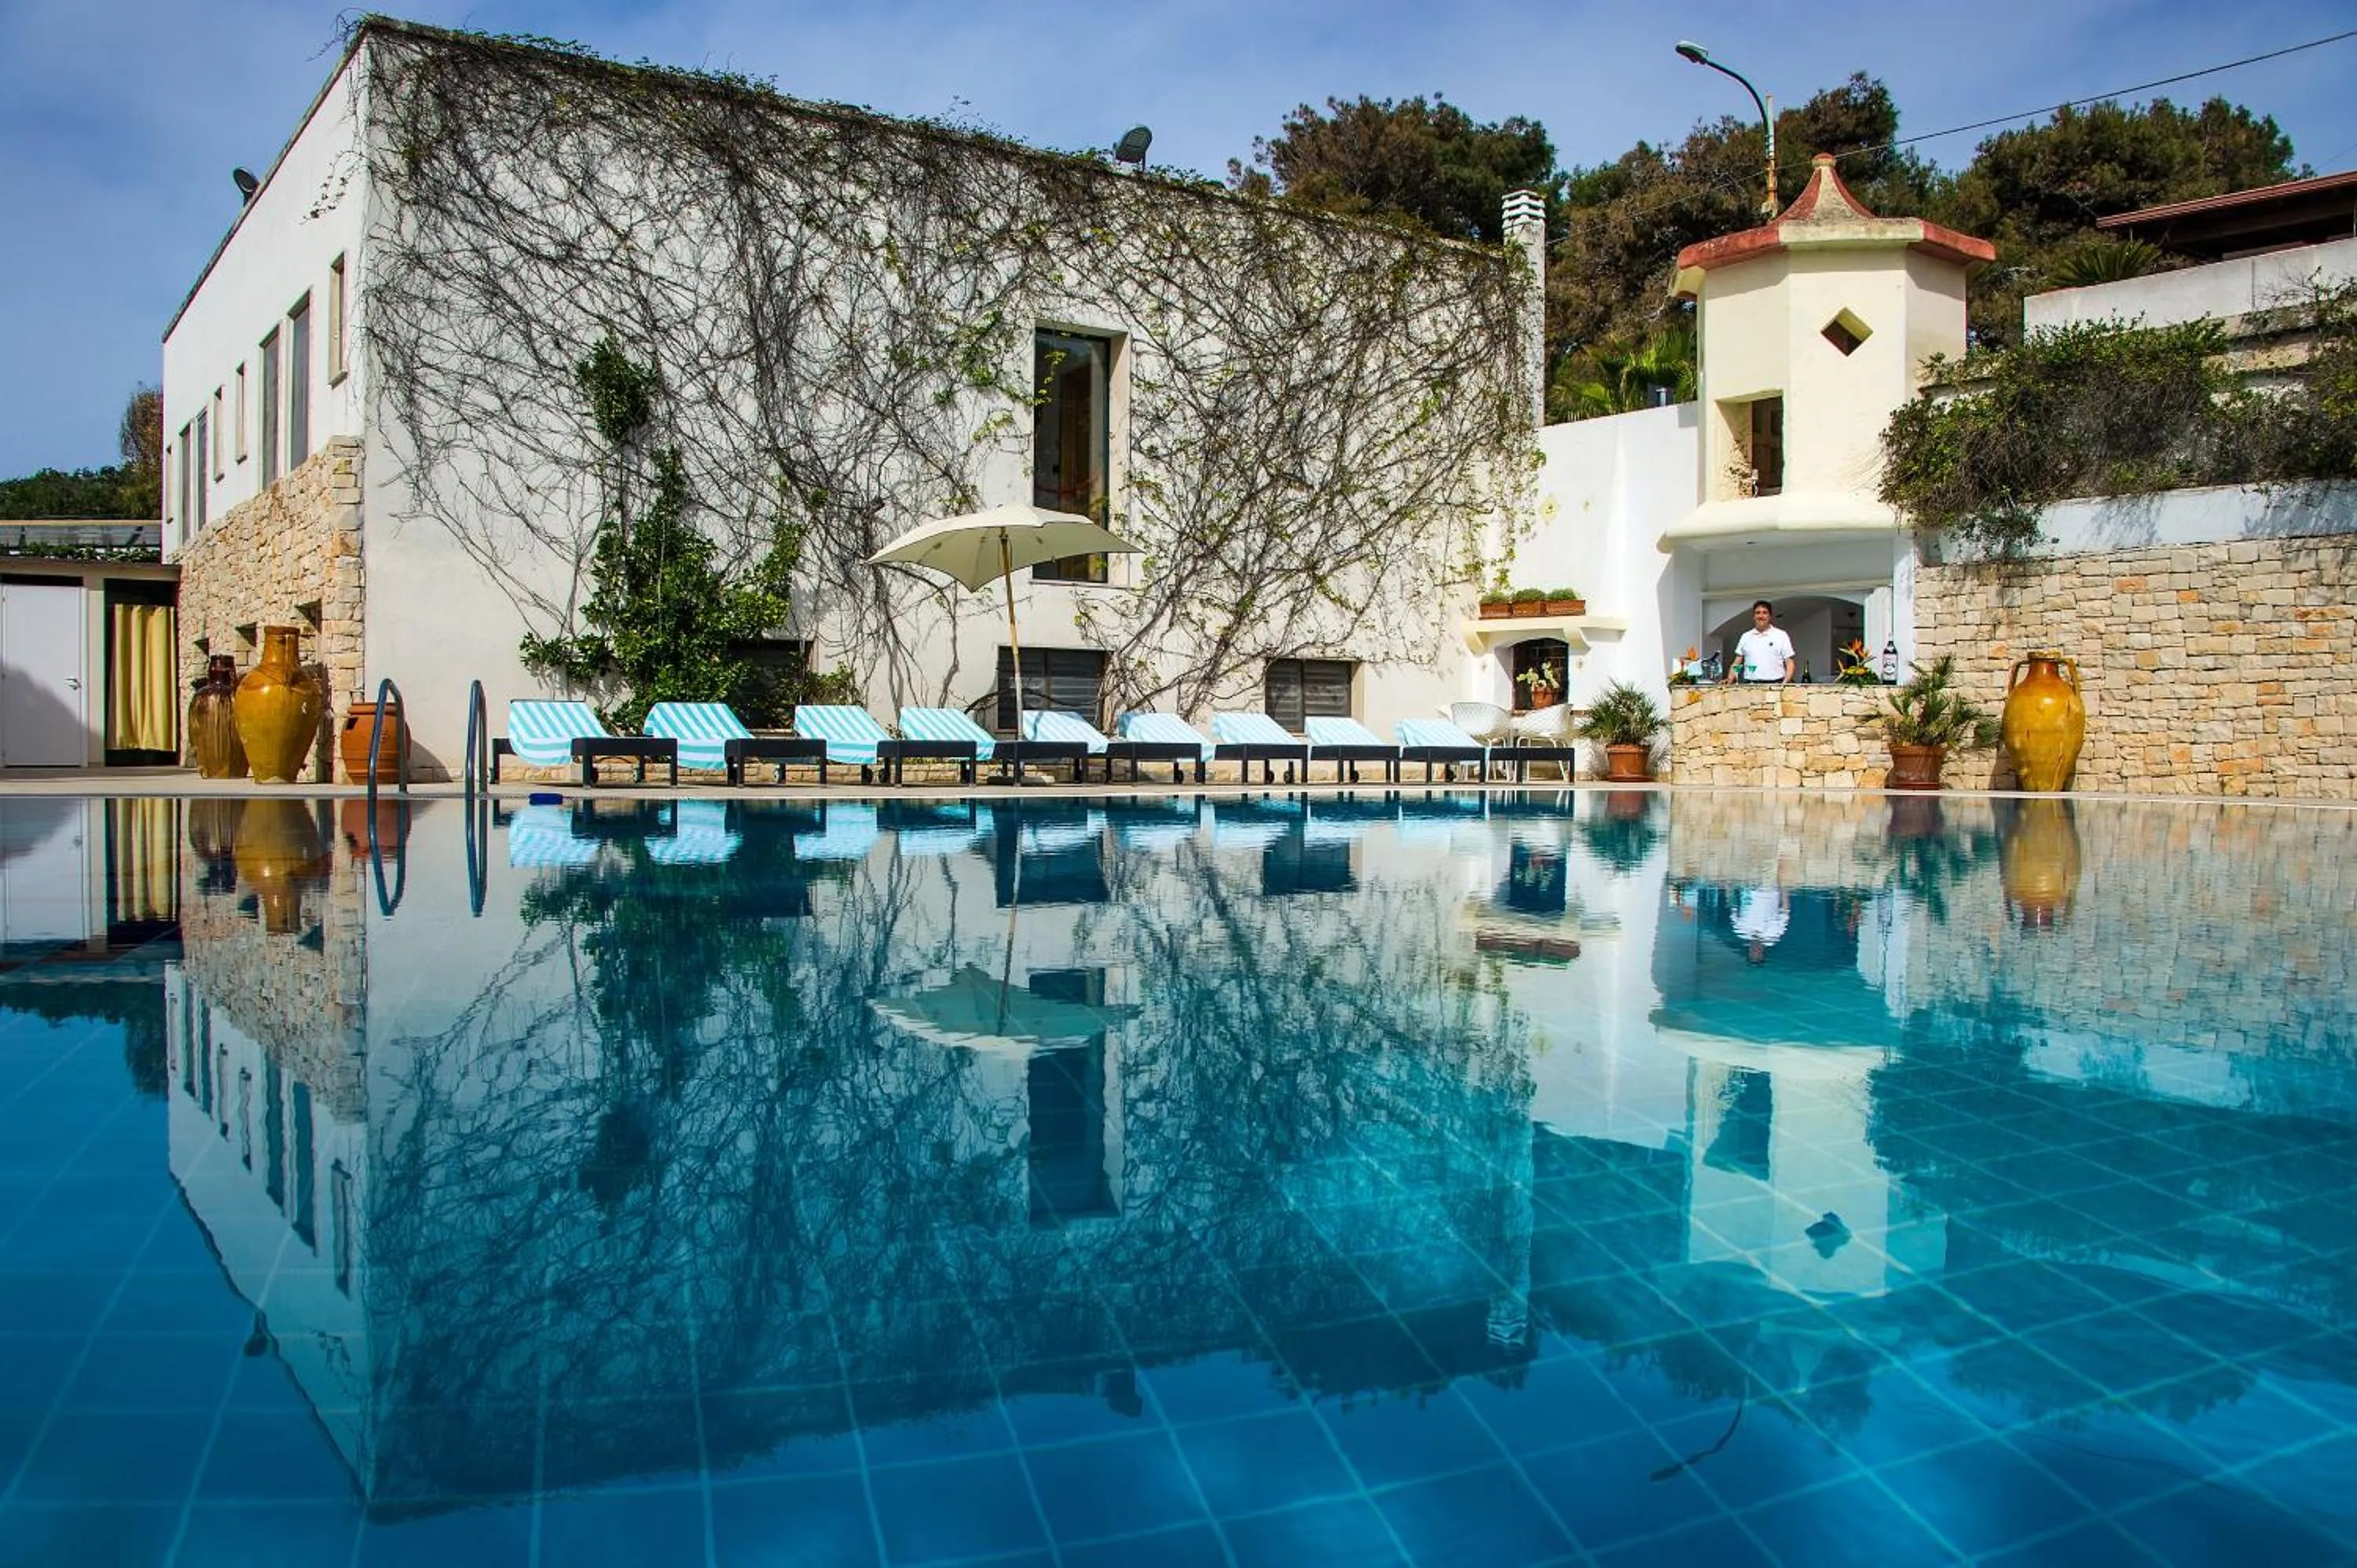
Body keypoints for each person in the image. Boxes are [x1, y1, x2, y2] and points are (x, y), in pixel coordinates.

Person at [1723, 600, 1795, 684]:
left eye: (1765, 613)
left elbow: (1789, 662)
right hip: (1750, 686)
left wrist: (1785, 682)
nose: (1761, 616)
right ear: (1754, 616)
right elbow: (1737, 663)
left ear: (1770, 616)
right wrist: (1729, 679)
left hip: (1775, 685)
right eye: (1758, 613)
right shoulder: (1746, 636)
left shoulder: (1781, 635)